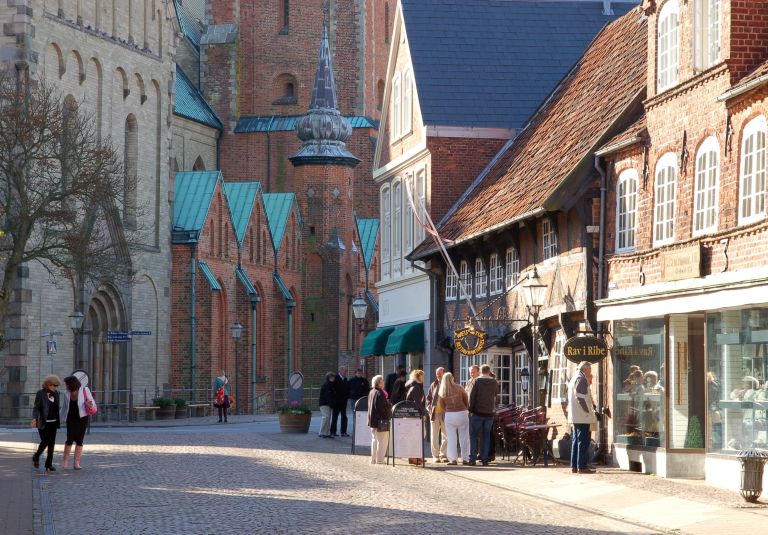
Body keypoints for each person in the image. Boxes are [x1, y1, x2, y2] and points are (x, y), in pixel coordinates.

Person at [567, 361, 597, 474]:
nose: (590, 372)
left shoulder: (574, 378)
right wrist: (589, 411)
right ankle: (582, 466)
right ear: (585, 369)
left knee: (576, 441)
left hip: (575, 415)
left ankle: (574, 466)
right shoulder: (581, 379)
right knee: (583, 441)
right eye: (589, 370)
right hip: (582, 416)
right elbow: (581, 397)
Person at [60, 375, 94, 470]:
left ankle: (76, 463)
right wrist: (59, 418)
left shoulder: (84, 390)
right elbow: (64, 407)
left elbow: (92, 402)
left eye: (66, 384)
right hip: (70, 419)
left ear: (71, 384)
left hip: (82, 418)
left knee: (79, 440)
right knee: (69, 439)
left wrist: (89, 404)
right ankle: (65, 461)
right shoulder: (66, 393)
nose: (65, 385)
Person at [438, 372, 470, 465]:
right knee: (464, 437)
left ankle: (453, 459)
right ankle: (466, 458)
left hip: (450, 415)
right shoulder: (459, 388)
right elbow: (465, 399)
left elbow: (442, 405)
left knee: (451, 438)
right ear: (452, 378)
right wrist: (465, 407)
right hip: (462, 413)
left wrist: (448, 409)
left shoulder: (442, 391)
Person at [469, 364, 498, 466]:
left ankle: (472, 459)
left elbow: (472, 396)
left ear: (481, 371)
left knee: (473, 435)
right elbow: (495, 396)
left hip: (477, 413)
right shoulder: (494, 382)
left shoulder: (477, 381)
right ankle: (485, 459)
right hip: (489, 414)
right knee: (486, 436)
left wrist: (471, 410)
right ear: (489, 371)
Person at [31, 375, 62, 472]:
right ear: (48, 384)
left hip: (54, 423)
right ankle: (36, 456)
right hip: (43, 423)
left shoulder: (57, 393)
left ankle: (48, 465)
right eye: (54, 385)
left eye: (56, 386)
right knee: (45, 441)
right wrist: (34, 418)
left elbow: (57, 408)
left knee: (51, 444)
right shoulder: (40, 393)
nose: (55, 387)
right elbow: (36, 407)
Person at [426, 367, 448, 463]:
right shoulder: (433, 384)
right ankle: (435, 455)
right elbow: (428, 398)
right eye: (437, 374)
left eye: (440, 374)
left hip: (445, 413)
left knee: (445, 435)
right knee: (434, 435)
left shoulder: (448, 385)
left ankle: (443, 454)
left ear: (444, 374)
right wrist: (429, 408)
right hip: (435, 413)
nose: (438, 375)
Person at [367, 375, 391, 464]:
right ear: (379, 383)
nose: (384, 382)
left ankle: (373, 459)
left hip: (372, 420)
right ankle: (380, 459)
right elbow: (381, 408)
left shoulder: (372, 391)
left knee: (374, 440)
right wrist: (388, 408)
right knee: (382, 441)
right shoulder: (380, 393)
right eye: (382, 381)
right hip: (380, 420)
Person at [331, 366, 349, 437]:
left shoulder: (345, 379)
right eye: (345, 371)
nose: (346, 373)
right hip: (336, 402)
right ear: (341, 371)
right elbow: (332, 389)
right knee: (335, 417)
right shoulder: (336, 378)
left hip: (344, 401)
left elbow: (347, 389)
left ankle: (343, 432)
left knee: (344, 416)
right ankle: (333, 431)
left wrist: (347, 396)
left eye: (346, 371)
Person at [318, 372, 336, 438]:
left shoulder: (332, 385)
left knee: (328, 418)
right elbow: (327, 396)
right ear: (328, 378)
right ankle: (321, 432)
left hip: (328, 404)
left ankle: (327, 433)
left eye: (333, 377)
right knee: (325, 417)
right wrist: (331, 404)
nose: (333, 378)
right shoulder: (326, 385)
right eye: (331, 377)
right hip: (324, 404)